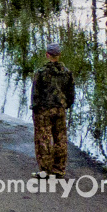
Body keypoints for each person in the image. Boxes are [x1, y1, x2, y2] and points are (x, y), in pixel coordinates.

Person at [32, 41, 76, 177]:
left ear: (47, 55)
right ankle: (59, 169)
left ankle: (45, 171)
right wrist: (66, 105)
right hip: (60, 110)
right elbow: (71, 93)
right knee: (61, 139)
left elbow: (35, 93)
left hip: (44, 110)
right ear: (59, 55)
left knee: (43, 139)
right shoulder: (67, 73)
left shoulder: (41, 72)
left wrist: (35, 108)